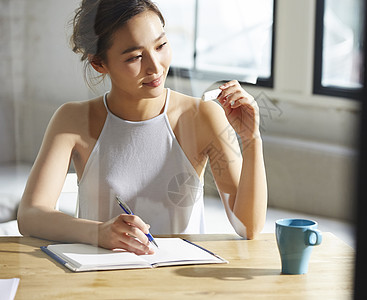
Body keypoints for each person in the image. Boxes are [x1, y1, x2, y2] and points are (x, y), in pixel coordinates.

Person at [17, 0, 267, 255]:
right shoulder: (72, 120)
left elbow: (248, 227)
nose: (155, 66)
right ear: (99, 64)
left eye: (161, 45)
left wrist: (251, 138)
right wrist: (98, 232)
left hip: (180, 282)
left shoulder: (202, 116)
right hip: (101, 282)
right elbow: (31, 215)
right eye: (135, 57)